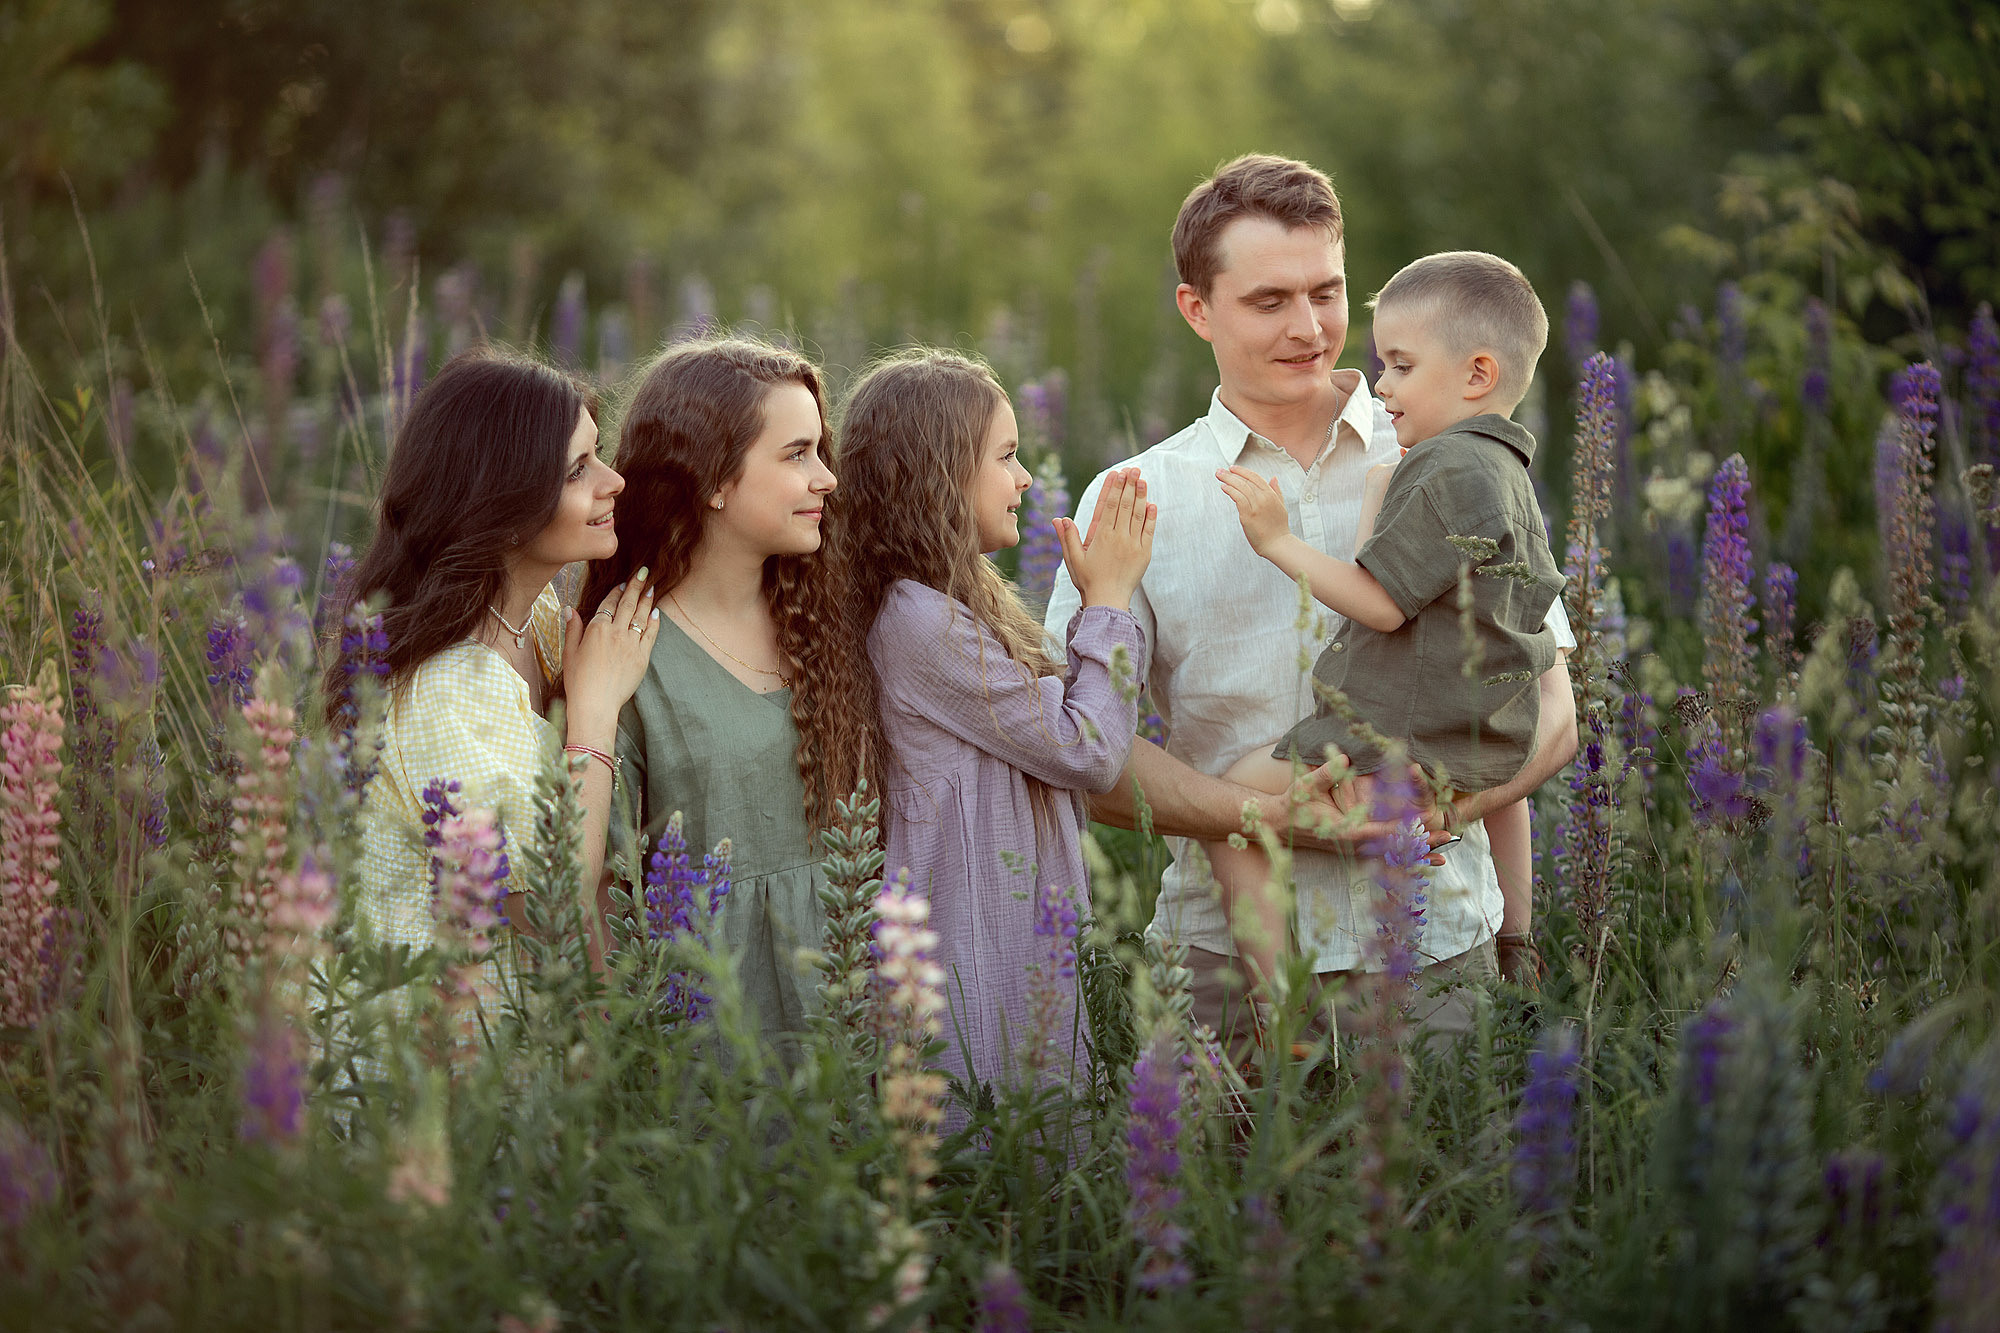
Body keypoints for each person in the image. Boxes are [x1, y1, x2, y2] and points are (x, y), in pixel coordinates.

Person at [1045, 155, 1578, 1059]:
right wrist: (1257, 818)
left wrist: (1440, 808)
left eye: (1327, 294)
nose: (1309, 328)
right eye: (1269, 302)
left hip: (1437, 946)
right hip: (1220, 967)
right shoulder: (1138, 496)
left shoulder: (1450, 459)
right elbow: (1079, 753)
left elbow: (1552, 706)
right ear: (1196, 309)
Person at [1206, 251, 1566, 1008]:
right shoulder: (1504, 473)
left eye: (1401, 365)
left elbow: (1379, 602)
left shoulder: (1444, 467)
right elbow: (1411, 579)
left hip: (1392, 744)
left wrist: (1278, 540)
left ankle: (1276, 1001)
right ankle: (1517, 935)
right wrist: (1381, 491)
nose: (1384, 386)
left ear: (1475, 375)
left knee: (1232, 803)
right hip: (1472, 747)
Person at [836, 349, 1155, 1093]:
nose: (1026, 479)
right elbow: (1085, 749)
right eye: (1007, 456)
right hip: (972, 951)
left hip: (1016, 936)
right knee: (1000, 1152)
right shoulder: (919, 622)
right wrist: (1107, 600)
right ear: (941, 473)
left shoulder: (952, 602)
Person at [329, 348, 661, 1030]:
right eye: (578, 470)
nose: (615, 481)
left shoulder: (531, 618)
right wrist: (592, 719)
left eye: (598, 454)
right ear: (505, 508)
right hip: (431, 1060)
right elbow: (550, 913)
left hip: (512, 1039)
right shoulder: (445, 687)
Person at [581, 336, 879, 1046]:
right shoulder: (626, 650)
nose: (827, 479)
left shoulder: (828, 621)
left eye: (821, 451)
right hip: (706, 1036)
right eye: (796, 454)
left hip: (844, 1016)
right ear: (714, 480)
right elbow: (600, 892)